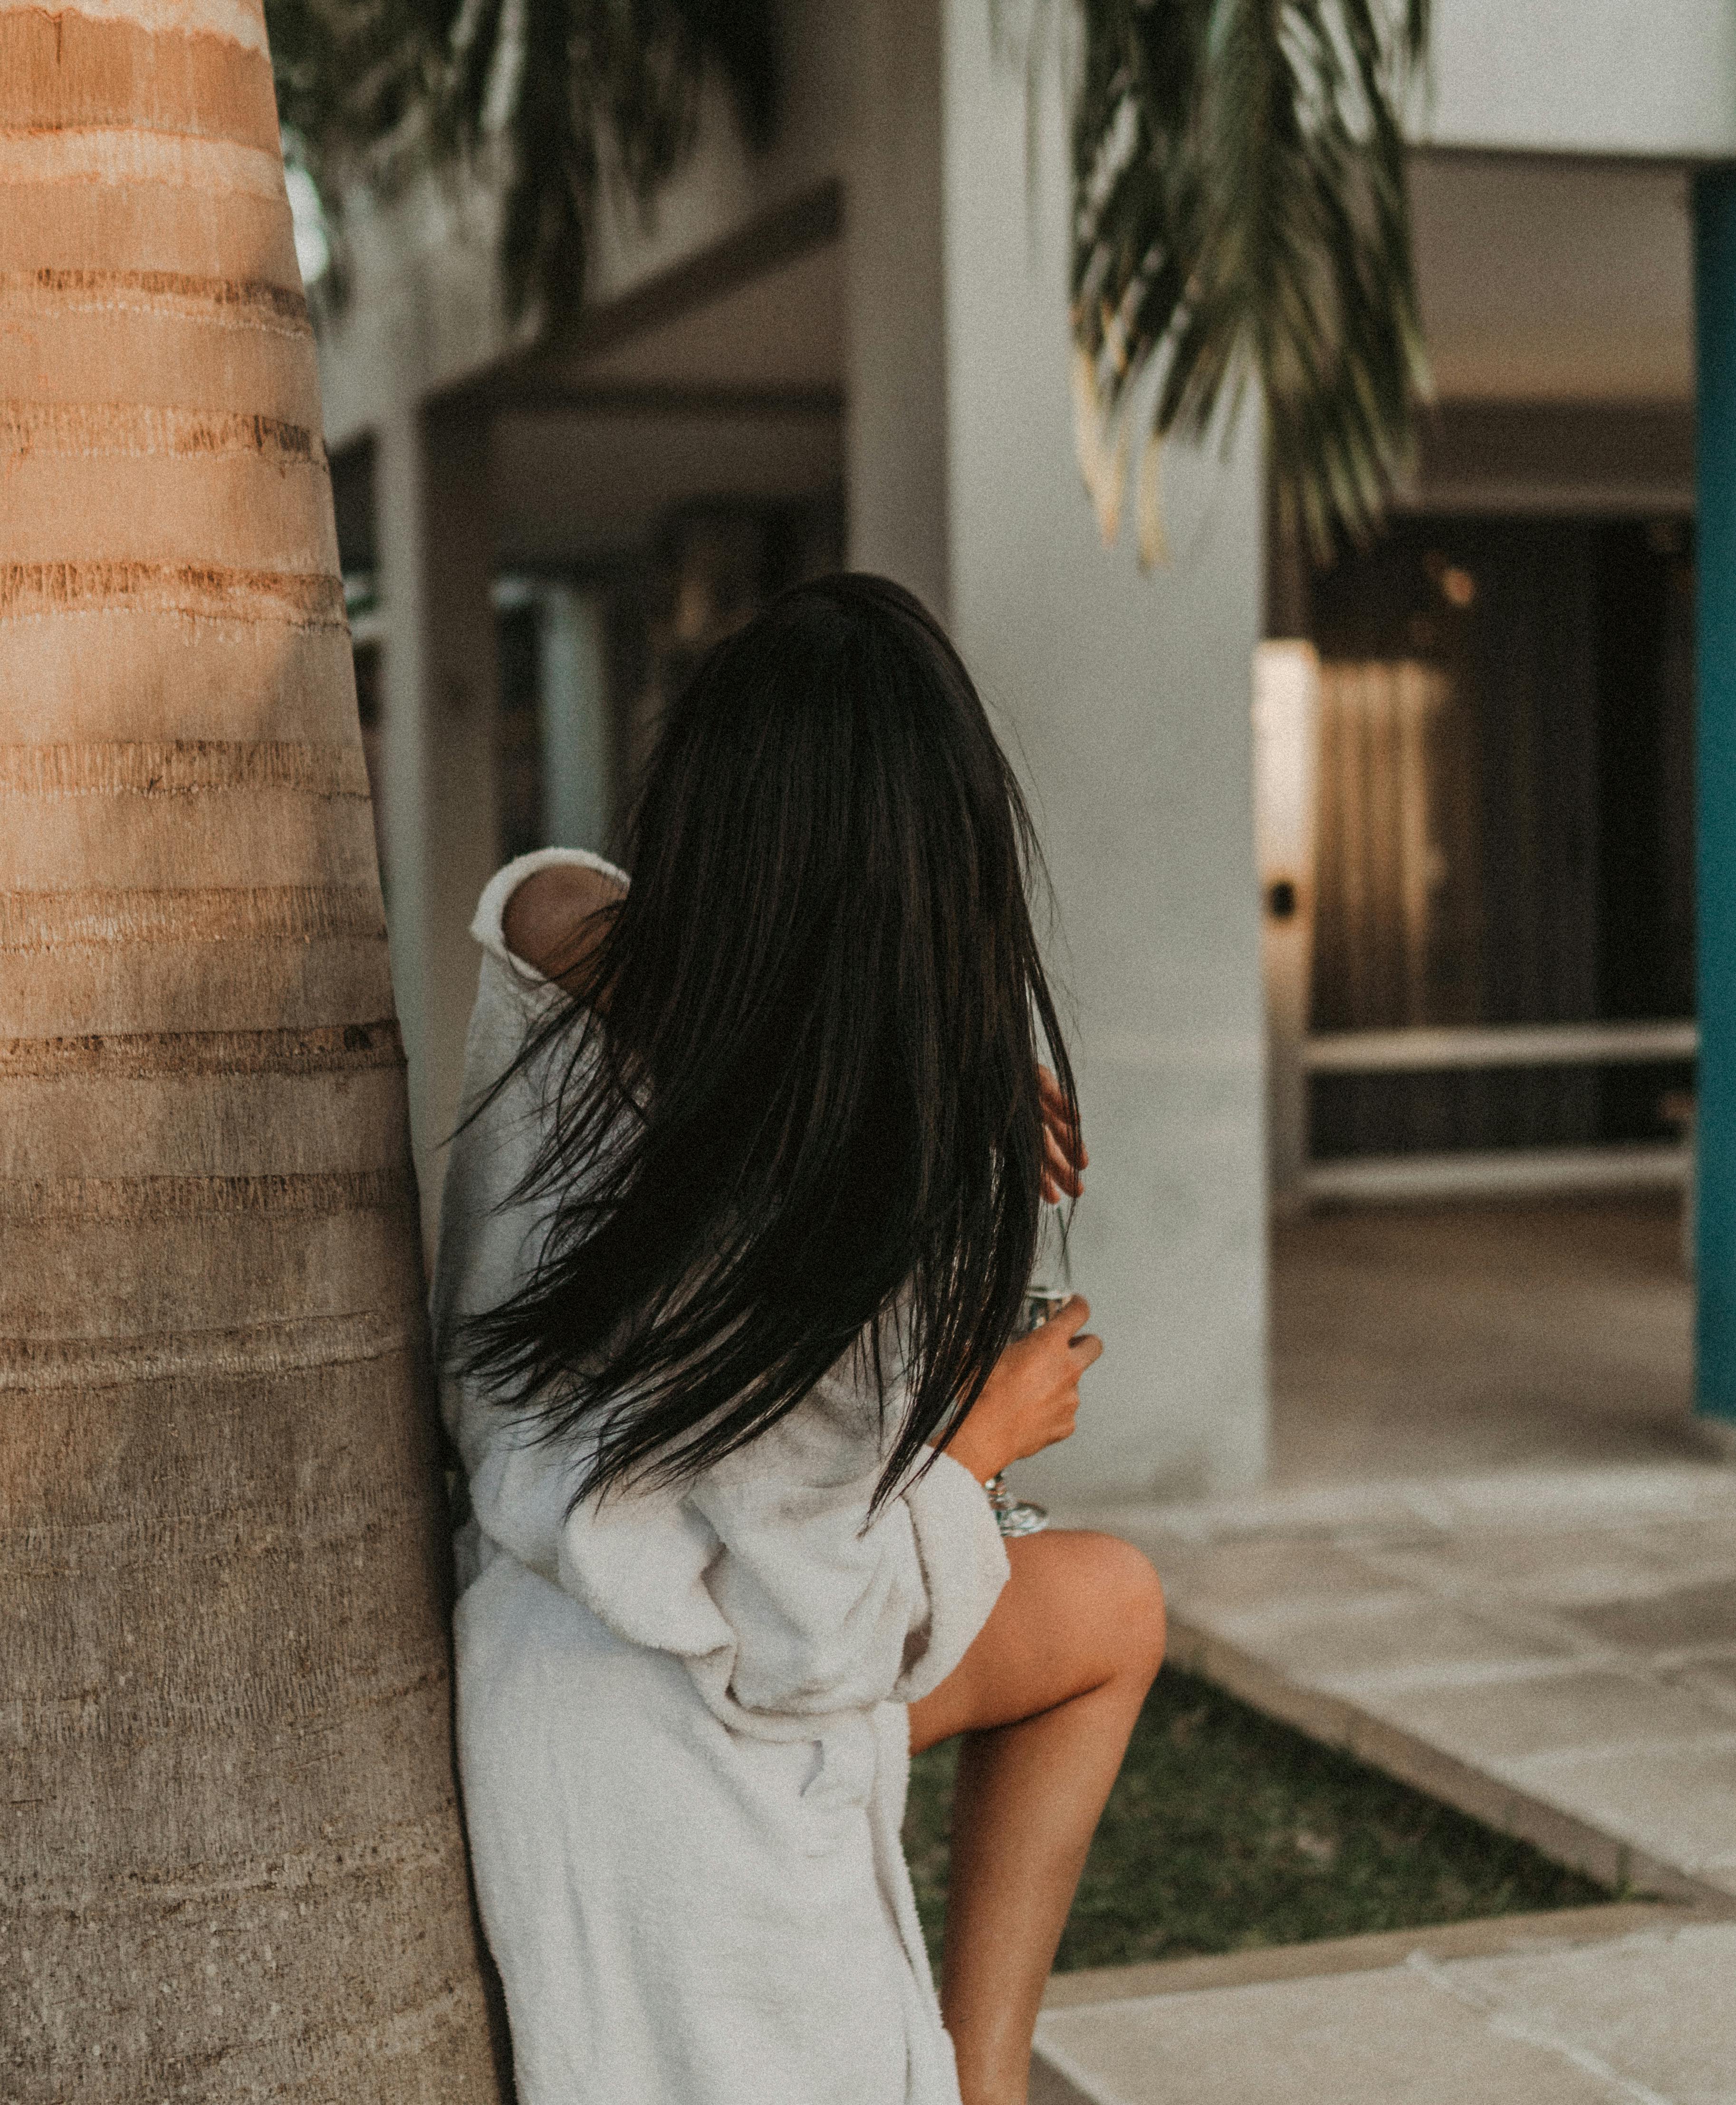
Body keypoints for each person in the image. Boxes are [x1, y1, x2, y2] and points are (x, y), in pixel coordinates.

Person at [433, 573, 1166, 2105]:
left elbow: (544, 896)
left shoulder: (562, 1007)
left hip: (541, 1642)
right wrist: (974, 1445)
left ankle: (988, 2082)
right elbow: (813, 1639)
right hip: (692, 1739)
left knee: (1108, 1605)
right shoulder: (838, 1183)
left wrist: (923, 1065)